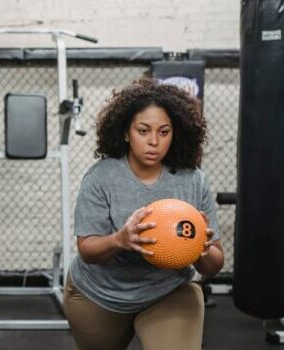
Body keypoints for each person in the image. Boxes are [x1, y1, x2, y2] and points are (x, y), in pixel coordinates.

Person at [62, 78, 225, 350]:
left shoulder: (193, 180)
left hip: (168, 292)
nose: (154, 142)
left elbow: (215, 263)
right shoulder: (101, 177)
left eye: (164, 132)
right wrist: (120, 240)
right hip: (100, 296)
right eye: (143, 130)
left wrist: (201, 249)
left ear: (176, 133)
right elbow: (87, 249)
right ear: (126, 132)